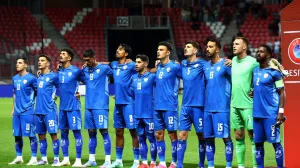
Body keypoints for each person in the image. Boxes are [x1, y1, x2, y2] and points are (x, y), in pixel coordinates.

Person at [252, 44, 285, 168]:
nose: (258, 53)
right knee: (258, 144)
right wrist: (253, 91)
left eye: (261, 52)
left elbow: (282, 92)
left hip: (271, 114)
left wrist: (280, 112)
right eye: (257, 51)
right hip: (257, 114)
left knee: (275, 143)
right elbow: (259, 88)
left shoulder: (274, 73)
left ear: (268, 55)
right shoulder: (255, 71)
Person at [80, 49, 113, 167]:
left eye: (88, 60)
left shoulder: (104, 69)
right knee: (91, 133)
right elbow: (79, 78)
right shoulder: (85, 70)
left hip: (101, 106)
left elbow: (116, 73)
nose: (87, 62)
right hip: (88, 106)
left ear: (94, 57)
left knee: (104, 132)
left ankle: (108, 160)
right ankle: (92, 160)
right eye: (85, 60)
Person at [203, 38, 233, 168]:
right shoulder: (205, 66)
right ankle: (210, 165)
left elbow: (236, 80)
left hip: (222, 108)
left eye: (210, 47)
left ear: (217, 49)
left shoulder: (226, 65)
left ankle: (228, 165)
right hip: (207, 108)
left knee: (226, 138)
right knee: (209, 138)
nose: (207, 49)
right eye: (207, 46)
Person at [108, 44, 139, 168]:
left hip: (129, 103)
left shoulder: (132, 65)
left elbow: (144, 68)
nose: (117, 50)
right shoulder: (114, 65)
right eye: (117, 49)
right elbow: (105, 63)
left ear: (126, 53)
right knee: (118, 131)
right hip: (118, 104)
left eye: (120, 49)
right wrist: (92, 62)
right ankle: (118, 161)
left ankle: (136, 161)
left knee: (133, 131)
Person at [176, 41, 207, 168]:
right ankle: (179, 165)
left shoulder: (202, 64)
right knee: (182, 135)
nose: (185, 48)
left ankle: (201, 164)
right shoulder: (183, 64)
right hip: (185, 106)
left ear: (195, 50)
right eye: (185, 46)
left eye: (188, 47)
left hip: (199, 106)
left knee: (201, 135)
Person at [231, 37, 259, 168]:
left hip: (248, 104)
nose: (234, 46)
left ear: (244, 47)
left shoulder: (254, 62)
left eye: (237, 44)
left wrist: (255, 89)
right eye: (233, 44)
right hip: (234, 104)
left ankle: (255, 165)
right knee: (238, 135)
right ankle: (241, 165)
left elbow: (260, 77)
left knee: (253, 136)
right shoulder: (232, 61)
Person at [154, 41, 181, 168]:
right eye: (158, 49)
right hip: (157, 106)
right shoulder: (158, 67)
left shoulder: (175, 67)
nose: (158, 51)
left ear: (168, 52)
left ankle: (174, 162)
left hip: (170, 106)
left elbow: (186, 77)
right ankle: (163, 162)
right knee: (158, 134)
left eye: (161, 49)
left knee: (172, 134)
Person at [57, 48, 84, 167]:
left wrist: (80, 92)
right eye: (60, 53)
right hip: (62, 107)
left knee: (76, 133)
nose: (61, 55)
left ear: (69, 58)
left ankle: (78, 160)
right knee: (63, 133)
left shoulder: (76, 71)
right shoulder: (59, 71)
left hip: (73, 107)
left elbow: (88, 81)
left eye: (63, 54)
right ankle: (66, 159)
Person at [9, 57, 38, 166]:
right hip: (17, 112)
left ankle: (34, 157)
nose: (17, 64)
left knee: (31, 135)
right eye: (16, 63)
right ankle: (19, 157)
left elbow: (38, 92)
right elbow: (15, 93)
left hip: (28, 111)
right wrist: (13, 108)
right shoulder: (14, 78)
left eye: (20, 63)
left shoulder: (32, 78)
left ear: (25, 65)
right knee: (17, 134)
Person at [131, 54, 157, 168]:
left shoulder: (152, 77)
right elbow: (132, 94)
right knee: (141, 138)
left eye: (139, 62)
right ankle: (144, 162)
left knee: (151, 138)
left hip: (149, 114)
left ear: (145, 64)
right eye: (136, 62)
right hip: (137, 114)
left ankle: (153, 162)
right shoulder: (133, 78)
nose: (136, 64)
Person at [34, 54, 60, 166]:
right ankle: (44, 159)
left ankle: (56, 159)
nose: (39, 62)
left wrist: (56, 95)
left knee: (53, 134)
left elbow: (64, 86)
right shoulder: (39, 77)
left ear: (48, 63)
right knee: (41, 135)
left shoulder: (54, 76)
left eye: (42, 60)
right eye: (39, 60)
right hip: (38, 111)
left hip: (50, 111)